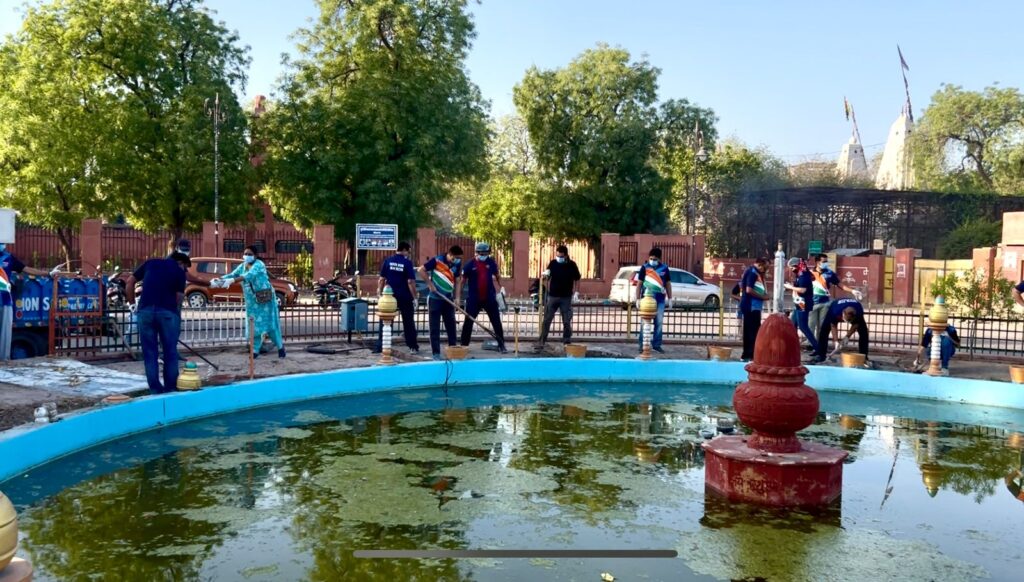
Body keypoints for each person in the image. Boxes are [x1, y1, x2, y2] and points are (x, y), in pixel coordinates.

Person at [133, 252, 190, 393]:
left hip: (145, 312)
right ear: (180, 262)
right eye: (185, 266)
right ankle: (170, 388)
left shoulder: (150, 263)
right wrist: (174, 311)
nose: (185, 270)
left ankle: (155, 389)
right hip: (167, 313)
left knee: (150, 353)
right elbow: (179, 296)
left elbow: (129, 282)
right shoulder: (179, 271)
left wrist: (131, 305)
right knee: (170, 352)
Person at [214, 246, 285, 359]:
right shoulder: (243, 266)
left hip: (265, 301)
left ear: (255, 256)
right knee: (253, 325)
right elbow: (233, 274)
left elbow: (249, 275)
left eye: (250, 254)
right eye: (245, 254)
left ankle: (280, 348)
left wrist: (232, 281)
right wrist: (220, 280)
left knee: (270, 324)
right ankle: (255, 350)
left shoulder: (259, 264)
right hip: (252, 302)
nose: (247, 256)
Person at [0, 244, 58, 360]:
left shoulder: (8, 257)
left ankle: (3, 362)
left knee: (4, 335)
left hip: (5, 301)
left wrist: (49, 274)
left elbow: (26, 269)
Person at [459, 242, 507, 353]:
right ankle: (464, 346)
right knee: (468, 323)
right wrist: (458, 295)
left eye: (486, 253)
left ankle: (501, 345)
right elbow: (462, 281)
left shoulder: (491, 262)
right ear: (476, 253)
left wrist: (501, 287)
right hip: (474, 299)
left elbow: (497, 275)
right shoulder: (470, 264)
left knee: (496, 322)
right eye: (481, 253)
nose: (483, 255)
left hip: (489, 298)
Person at [376, 241, 420, 354]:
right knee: (408, 322)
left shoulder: (388, 261)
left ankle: (381, 346)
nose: (408, 254)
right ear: (404, 250)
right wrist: (415, 297)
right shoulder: (407, 263)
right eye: (408, 252)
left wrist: (380, 293)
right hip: (405, 296)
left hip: (390, 297)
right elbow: (410, 281)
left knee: (386, 320)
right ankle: (412, 347)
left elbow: (381, 279)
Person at [420, 245, 463, 360]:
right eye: (456, 258)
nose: (458, 260)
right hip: (435, 299)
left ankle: (453, 350)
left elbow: (458, 280)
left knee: (451, 326)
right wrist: (430, 284)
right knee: (434, 327)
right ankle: (436, 353)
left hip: (448, 299)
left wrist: (457, 298)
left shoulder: (457, 264)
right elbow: (421, 270)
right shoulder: (437, 261)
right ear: (450, 254)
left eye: (460, 258)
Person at [538, 245, 582, 346]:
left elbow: (577, 279)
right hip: (553, 296)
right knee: (547, 319)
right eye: (557, 256)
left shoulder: (572, 265)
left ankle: (566, 340)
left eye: (561, 256)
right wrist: (545, 276)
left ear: (566, 255)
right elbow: (546, 277)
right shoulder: (553, 263)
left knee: (566, 320)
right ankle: (542, 341)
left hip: (566, 297)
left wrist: (576, 292)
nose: (559, 258)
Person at [809, 254, 863, 336]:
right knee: (811, 325)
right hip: (812, 303)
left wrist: (852, 291)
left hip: (825, 303)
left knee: (822, 326)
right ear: (817, 262)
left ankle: (819, 343)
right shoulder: (809, 273)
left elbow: (839, 284)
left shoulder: (829, 273)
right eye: (824, 261)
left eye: (826, 261)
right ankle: (810, 343)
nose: (826, 263)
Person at [635, 248, 673, 354]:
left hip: (660, 300)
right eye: (651, 258)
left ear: (659, 259)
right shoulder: (644, 268)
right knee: (644, 323)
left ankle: (656, 345)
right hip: (646, 300)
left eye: (655, 259)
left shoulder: (664, 269)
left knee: (659, 322)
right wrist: (637, 299)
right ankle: (642, 345)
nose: (652, 260)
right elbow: (639, 283)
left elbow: (668, 284)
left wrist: (670, 298)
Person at [812, 297, 869, 364]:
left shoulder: (859, 311)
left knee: (864, 332)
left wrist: (847, 337)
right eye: (846, 319)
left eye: (850, 321)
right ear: (843, 313)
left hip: (852, 308)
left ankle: (864, 357)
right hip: (835, 305)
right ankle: (821, 355)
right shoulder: (835, 311)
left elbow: (856, 324)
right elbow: (833, 325)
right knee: (824, 330)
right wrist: (836, 341)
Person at [783, 257, 818, 353]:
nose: (791, 270)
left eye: (792, 267)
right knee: (792, 324)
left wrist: (790, 287)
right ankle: (792, 347)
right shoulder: (800, 274)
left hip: (803, 303)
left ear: (796, 266)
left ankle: (818, 349)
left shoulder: (803, 275)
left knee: (803, 326)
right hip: (799, 303)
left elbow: (803, 290)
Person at [739, 257, 769, 361]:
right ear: (760, 264)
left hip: (754, 306)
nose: (765, 270)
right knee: (752, 331)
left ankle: (749, 354)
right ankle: (750, 355)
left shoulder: (756, 273)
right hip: (751, 306)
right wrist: (762, 297)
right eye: (765, 267)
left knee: (752, 330)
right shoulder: (752, 273)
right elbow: (749, 290)